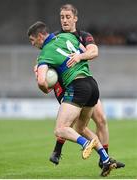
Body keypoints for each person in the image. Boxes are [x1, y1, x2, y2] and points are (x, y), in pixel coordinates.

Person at [27, 21, 122, 177]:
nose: (32, 44)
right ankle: (106, 160)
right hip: (92, 85)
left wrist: (45, 88)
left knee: (60, 129)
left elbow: (42, 81)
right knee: (80, 128)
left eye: (32, 40)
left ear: (40, 36)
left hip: (77, 86)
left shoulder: (45, 52)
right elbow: (84, 53)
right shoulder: (67, 37)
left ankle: (85, 144)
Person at [49, 3, 125, 169]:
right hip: (67, 85)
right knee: (73, 123)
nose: (65, 20)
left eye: (68, 17)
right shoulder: (55, 37)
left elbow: (94, 51)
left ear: (75, 18)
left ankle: (104, 158)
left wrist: (80, 56)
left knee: (101, 119)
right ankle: (57, 150)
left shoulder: (83, 36)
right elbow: (46, 59)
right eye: (62, 17)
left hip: (83, 82)